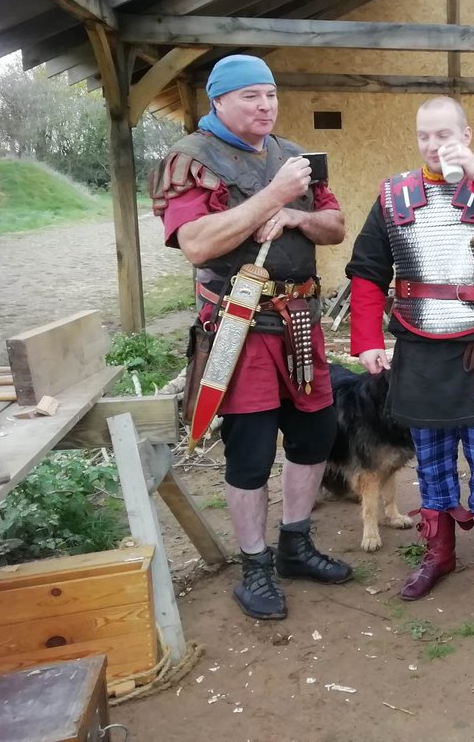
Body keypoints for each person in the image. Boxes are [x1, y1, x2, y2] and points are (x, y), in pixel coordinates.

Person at [151, 54, 352, 621]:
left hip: (302, 319)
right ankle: (255, 564)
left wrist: (297, 218)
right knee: (251, 450)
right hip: (239, 327)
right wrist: (273, 198)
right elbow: (194, 243)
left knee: (315, 436)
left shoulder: (294, 157)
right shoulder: (192, 159)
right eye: (250, 96)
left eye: (270, 95)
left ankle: (295, 544)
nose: (265, 105)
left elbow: (335, 226)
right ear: (218, 101)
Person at [345, 96, 474, 606]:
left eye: (444, 135)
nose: (433, 146)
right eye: (424, 136)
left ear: (467, 135)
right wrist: (367, 339)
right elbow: (367, 269)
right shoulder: (394, 196)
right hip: (420, 350)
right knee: (430, 464)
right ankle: (439, 553)